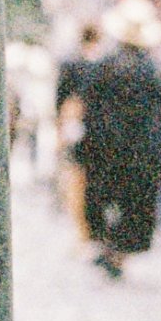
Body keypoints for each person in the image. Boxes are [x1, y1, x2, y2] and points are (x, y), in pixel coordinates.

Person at [76, 0, 161, 278]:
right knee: (134, 204)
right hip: (140, 151)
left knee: (103, 198)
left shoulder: (103, 66)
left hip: (105, 147)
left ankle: (107, 245)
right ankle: (119, 251)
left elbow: (89, 108)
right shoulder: (153, 71)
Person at [54, 21, 102, 241]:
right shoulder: (102, 64)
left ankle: (82, 229)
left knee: (76, 177)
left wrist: (60, 128)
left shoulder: (70, 64)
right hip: (97, 129)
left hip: (74, 124)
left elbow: (60, 99)